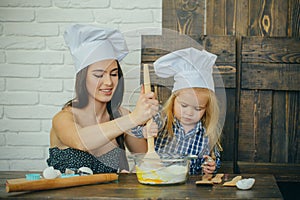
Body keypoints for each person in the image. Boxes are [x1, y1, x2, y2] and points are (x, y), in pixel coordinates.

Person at [46, 24, 158, 174]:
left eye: (113, 74)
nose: (109, 82)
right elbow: (81, 141)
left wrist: (130, 174)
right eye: (99, 75)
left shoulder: (122, 115)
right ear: (83, 78)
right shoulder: (63, 118)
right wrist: (134, 118)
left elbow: (147, 161)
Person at [132, 47, 223, 175]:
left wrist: (211, 165)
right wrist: (144, 131)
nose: (189, 113)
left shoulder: (207, 134)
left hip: (189, 188)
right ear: (174, 100)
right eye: (184, 105)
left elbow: (214, 158)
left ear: (207, 108)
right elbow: (133, 130)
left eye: (198, 108)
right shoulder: (163, 120)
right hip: (160, 179)